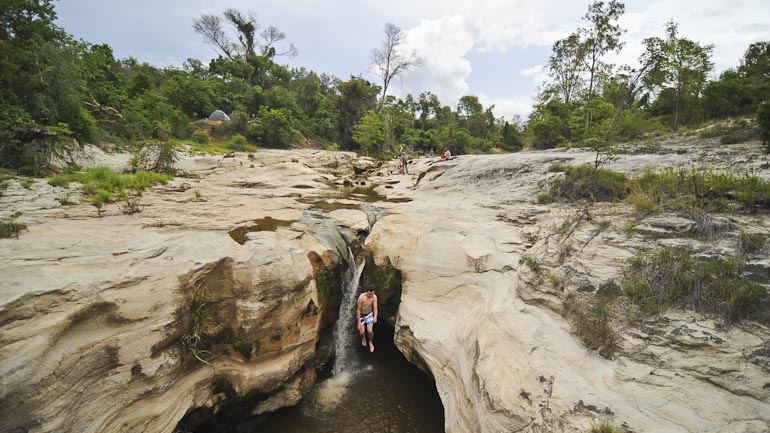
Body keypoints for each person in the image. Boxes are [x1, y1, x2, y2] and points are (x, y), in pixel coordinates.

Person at [356, 286, 378, 352]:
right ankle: (363, 338)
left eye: (372, 294)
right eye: (369, 294)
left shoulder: (374, 297)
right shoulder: (361, 297)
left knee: (370, 331)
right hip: (362, 316)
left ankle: (370, 342)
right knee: (362, 332)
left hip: (369, 314)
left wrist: (375, 317)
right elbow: (358, 310)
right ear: (366, 292)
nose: (370, 295)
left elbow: (375, 308)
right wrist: (359, 322)